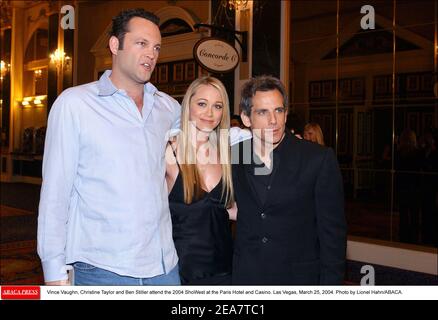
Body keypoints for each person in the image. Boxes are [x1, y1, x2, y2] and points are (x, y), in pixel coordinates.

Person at [38, 9, 181, 285]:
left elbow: (209, 140)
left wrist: (263, 136)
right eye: (141, 44)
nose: (151, 54)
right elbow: (56, 193)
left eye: (156, 47)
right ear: (115, 45)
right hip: (101, 270)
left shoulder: (168, 108)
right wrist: (54, 272)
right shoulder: (75, 105)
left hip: (164, 267)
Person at [231, 75, 347, 285]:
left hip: (298, 278)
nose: (273, 120)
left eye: (278, 110)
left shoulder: (317, 159)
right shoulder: (236, 155)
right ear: (246, 118)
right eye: (262, 112)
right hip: (248, 276)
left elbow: (333, 235)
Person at [165, 77, 235, 285]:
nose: (210, 113)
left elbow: (226, 210)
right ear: (188, 106)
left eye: (218, 106)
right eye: (202, 104)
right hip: (181, 275)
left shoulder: (228, 154)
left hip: (226, 271)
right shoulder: (169, 152)